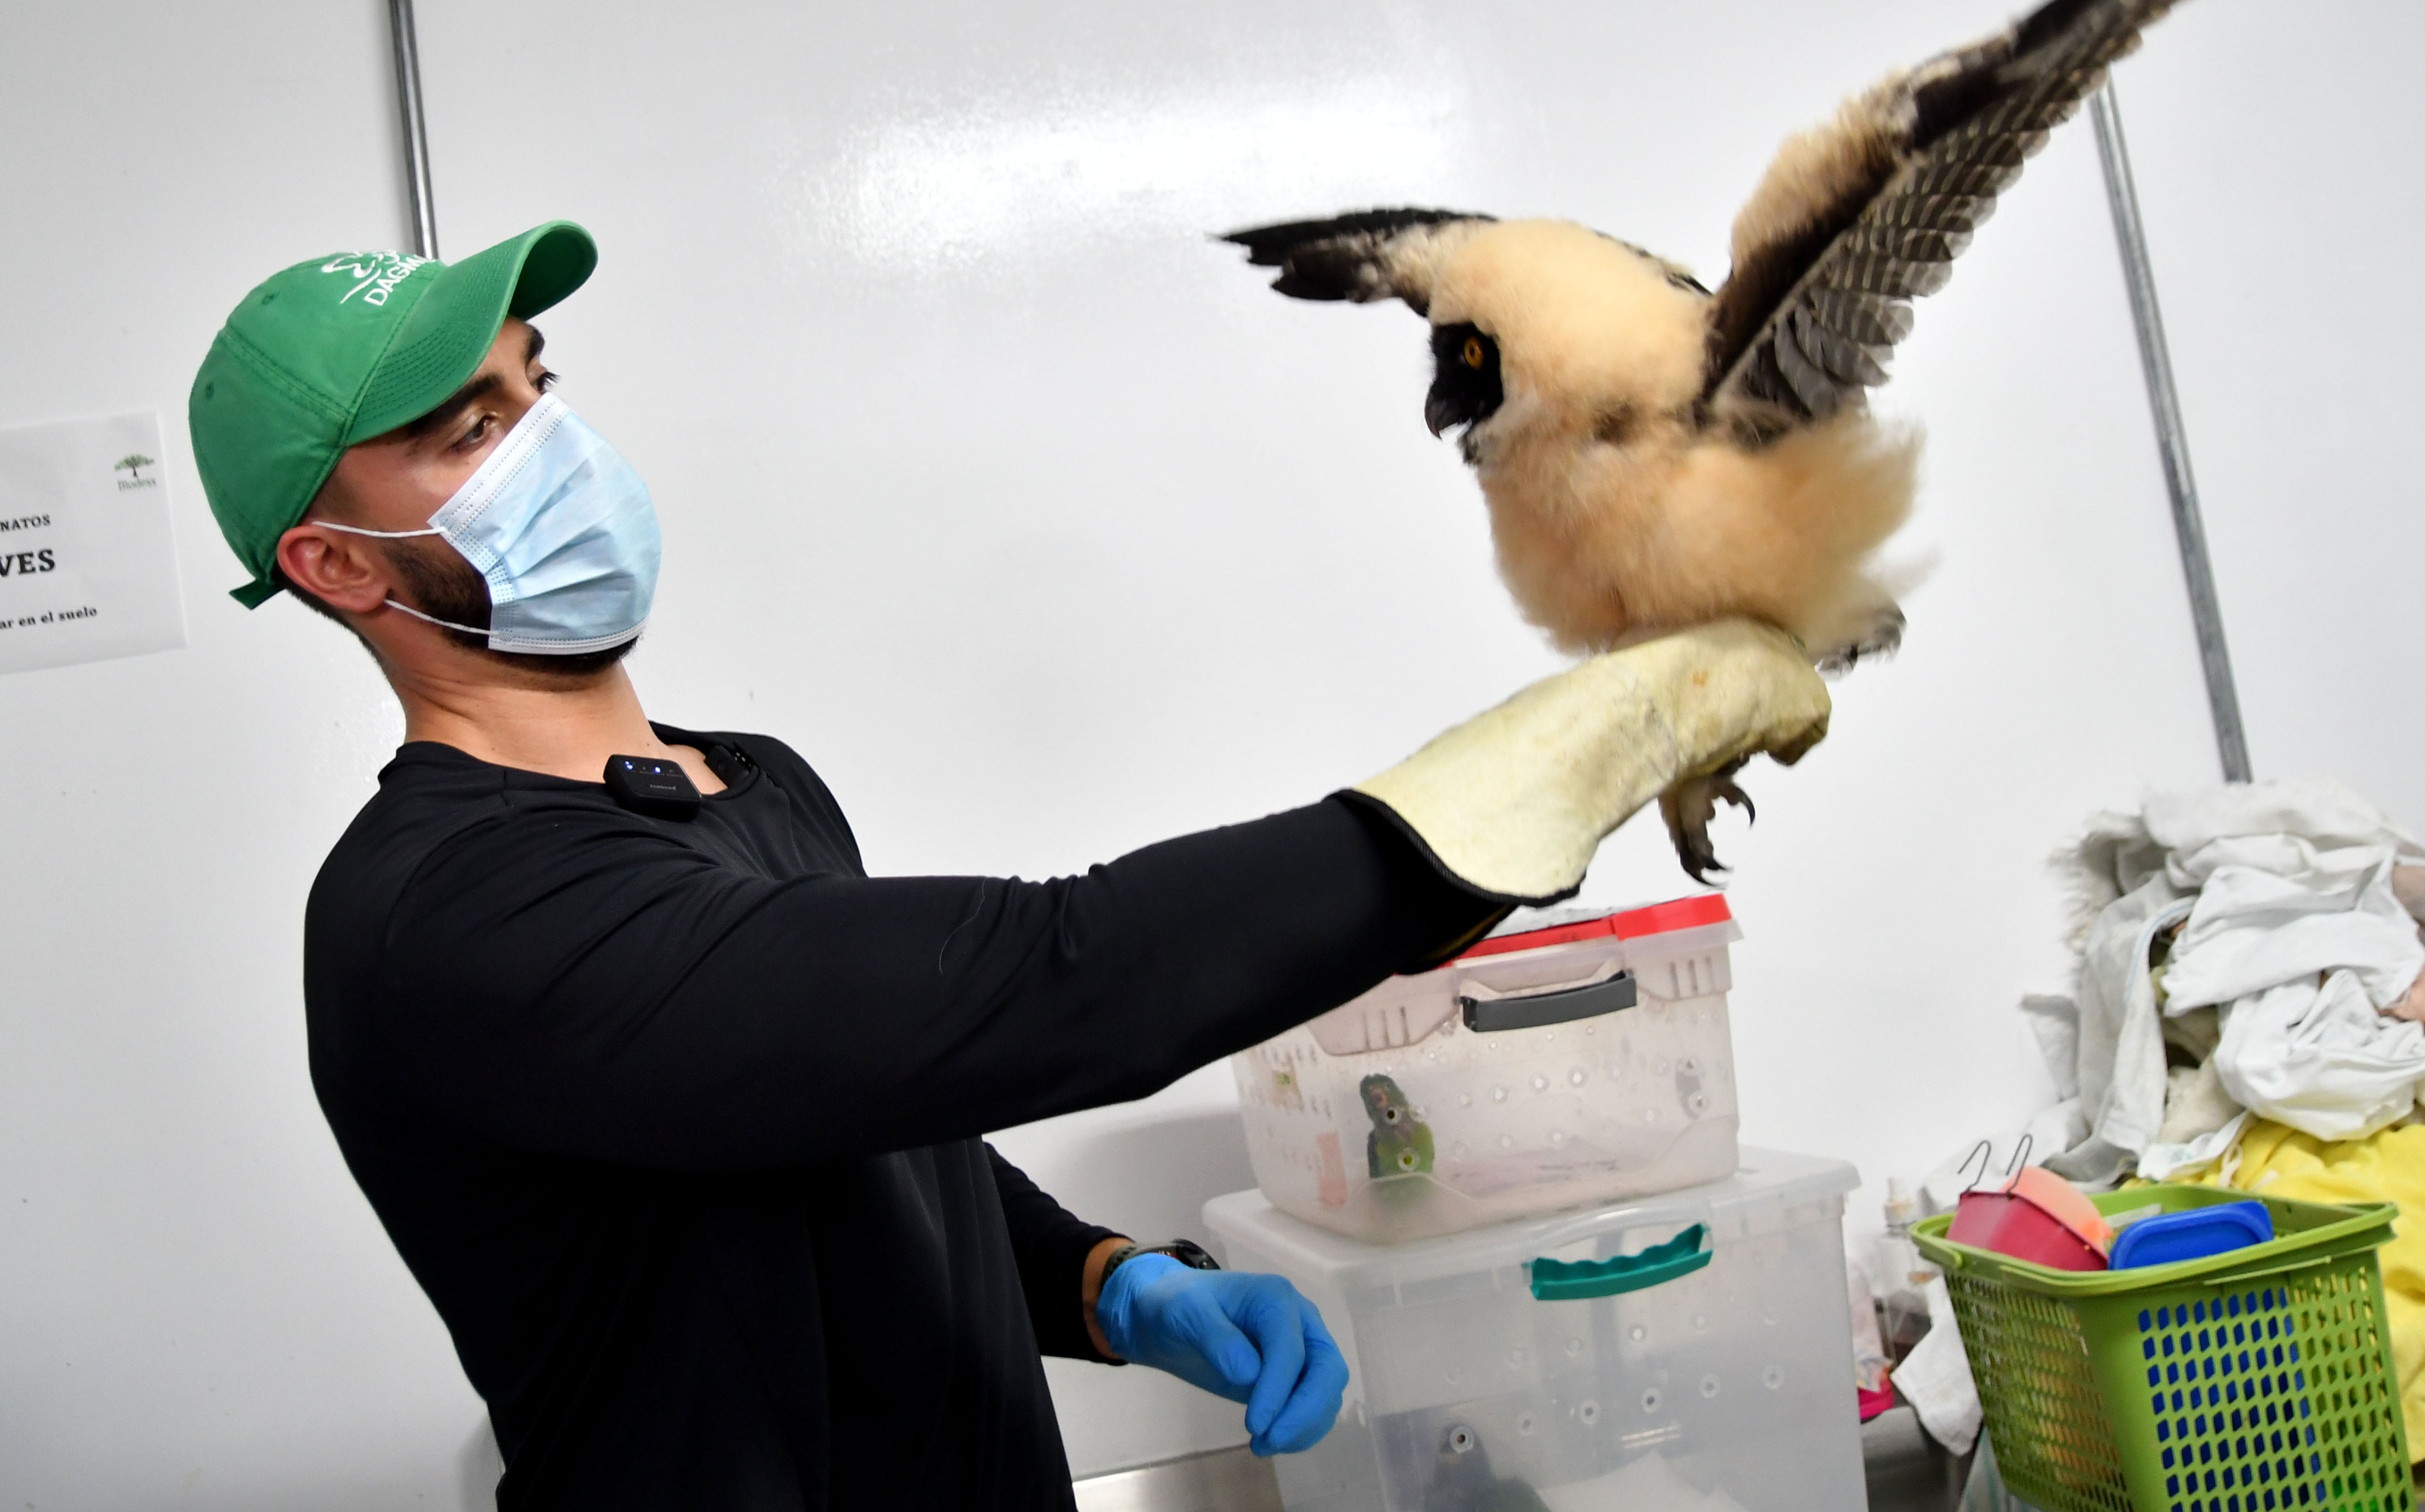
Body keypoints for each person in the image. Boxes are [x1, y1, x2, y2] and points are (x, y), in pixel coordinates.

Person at [186, 222, 1832, 1511]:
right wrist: (1576, 754)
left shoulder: (742, 788)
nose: (547, 440)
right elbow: (1058, 983)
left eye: (536, 382)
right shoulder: (444, 918)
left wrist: (1107, 1285)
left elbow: (863, 1131)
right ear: (336, 565)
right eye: (468, 428)